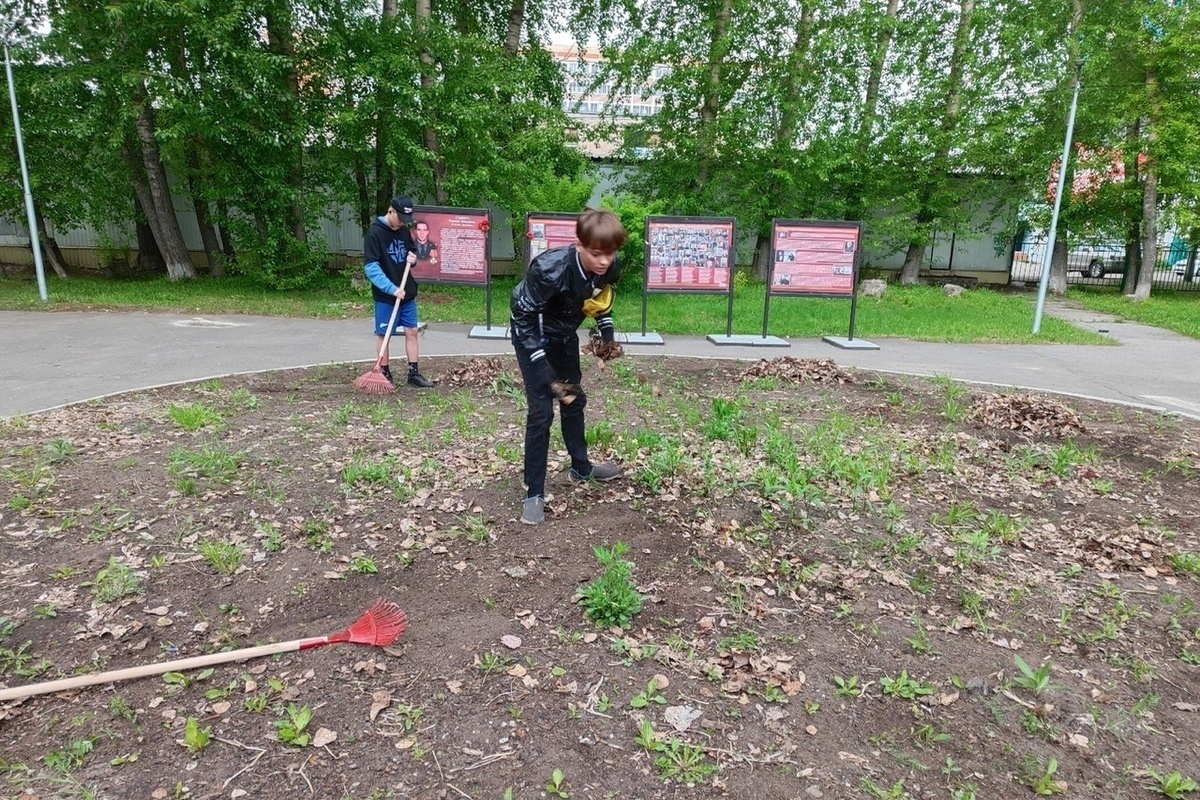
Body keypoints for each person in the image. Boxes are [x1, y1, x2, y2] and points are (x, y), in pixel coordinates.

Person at [510, 207, 627, 525]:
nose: (604, 260)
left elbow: (598, 301)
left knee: (573, 399)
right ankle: (534, 492)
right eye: (596, 253)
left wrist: (607, 335)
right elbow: (523, 319)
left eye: (610, 253)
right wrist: (543, 370)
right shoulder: (549, 269)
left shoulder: (609, 266)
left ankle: (581, 467)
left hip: (563, 336)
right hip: (532, 335)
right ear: (579, 244)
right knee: (542, 412)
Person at [363, 195, 434, 389]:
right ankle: (384, 372)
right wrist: (391, 289)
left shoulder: (403, 230)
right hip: (386, 295)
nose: (402, 222)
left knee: (412, 331)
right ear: (390, 210)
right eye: (400, 217)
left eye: (405, 219)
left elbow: (411, 253)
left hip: (407, 292)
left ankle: (413, 373)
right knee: (384, 333)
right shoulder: (375, 234)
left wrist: (413, 258)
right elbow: (371, 268)